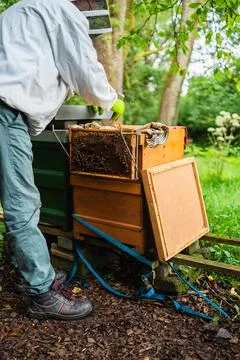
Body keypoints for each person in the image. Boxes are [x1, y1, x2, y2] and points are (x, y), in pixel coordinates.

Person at [0, 0, 125, 320]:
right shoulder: (62, 11)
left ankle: (27, 270)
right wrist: (111, 101)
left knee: (16, 201)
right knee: (23, 204)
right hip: (5, 114)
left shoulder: (21, 11)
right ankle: (42, 293)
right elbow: (84, 68)